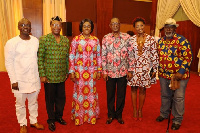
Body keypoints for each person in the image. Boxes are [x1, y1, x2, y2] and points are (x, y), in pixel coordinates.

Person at [4, 18, 44, 133]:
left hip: (33, 77)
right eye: (22, 25)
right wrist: (13, 80)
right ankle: (22, 124)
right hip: (19, 79)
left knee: (33, 101)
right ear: (18, 27)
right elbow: (9, 62)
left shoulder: (35, 41)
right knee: (20, 103)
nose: (25, 27)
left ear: (30, 28)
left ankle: (33, 121)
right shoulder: (11, 43)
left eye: (27, 25)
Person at [156, 18, 193, 130]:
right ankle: (164, 114)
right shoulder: (160, 41)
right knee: (165, 95)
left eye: (171, 28)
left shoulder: (182, 41)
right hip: (164, 75)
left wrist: (181, 72)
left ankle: (177, 119)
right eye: (166, 27)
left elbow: (188, 58)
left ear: (175, 29)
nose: (168, 30)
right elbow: (157, 57)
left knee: (178, 97)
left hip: (179, 76)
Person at [38, 16, 70, 131]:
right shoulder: (44, 39)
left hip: (62, 75)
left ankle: (59, 117)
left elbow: (67, 57)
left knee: (61, 98)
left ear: (61, 27)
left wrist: (67, 71)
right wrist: (42, 74)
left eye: (58, 25)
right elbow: (40, 58)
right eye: (54, 25)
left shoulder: (66, 40)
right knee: (50, 99)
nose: (56, 27)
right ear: (51, 26)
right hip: (49, 76)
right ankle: (51, 120)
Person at [69, 18, 102, 125]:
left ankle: (91, 115)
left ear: (91, 27)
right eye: (84, 26)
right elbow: (72, 55)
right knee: (80, 92)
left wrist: (99, 70)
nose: (87, 28)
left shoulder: (95, 40)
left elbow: (98, 56)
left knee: (91, 93)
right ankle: (79, 116)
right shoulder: (76, 39)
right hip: (80, 71)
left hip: (92, 71)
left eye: (89, 26)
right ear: (81, 28)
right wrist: (72, 71)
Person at [102, 18, 133, 124]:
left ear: (120, 25)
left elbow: (131, 54)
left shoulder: (127, 37)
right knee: (110, 95)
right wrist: (104, 71)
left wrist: (130, 70)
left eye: (117, 24)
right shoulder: (106, 38)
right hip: (110, 72)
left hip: (123, 71)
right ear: (110, 25)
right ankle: (110, 115)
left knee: (121, 95)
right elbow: (103, 55)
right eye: (113, 24)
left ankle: (119, 115)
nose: (115, 25)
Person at [127, 17, 159, 121]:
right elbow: (128, 55)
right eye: (137, 26)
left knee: (142, 89)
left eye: (141, 25)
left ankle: (140, 109)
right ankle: (134, 109)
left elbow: (154, 54)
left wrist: (154, 69)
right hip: (134, 68)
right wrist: (129, 69)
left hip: (146, 68)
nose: (139, 28)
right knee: (133, 89)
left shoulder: (151, 39)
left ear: (144, 26)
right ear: (134, 28)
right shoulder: (131, 39)